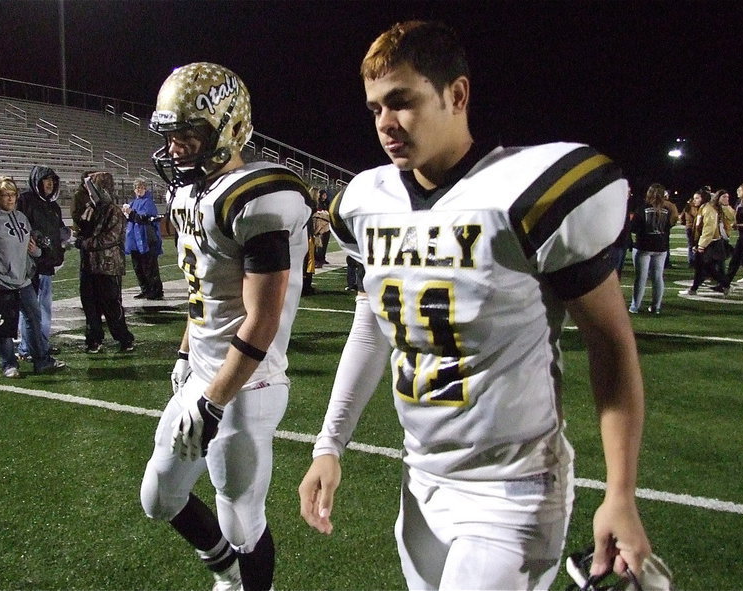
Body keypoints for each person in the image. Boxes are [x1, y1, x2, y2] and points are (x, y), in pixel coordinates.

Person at [298, 21, 651, 590]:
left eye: (401, 102)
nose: (386, 124)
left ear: (456, 95)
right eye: (374, 109)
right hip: (420, 479)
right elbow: (372, 327)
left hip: (513, 488)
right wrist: (329, 444)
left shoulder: (524, 190)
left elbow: (610, 342)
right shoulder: (368, 201)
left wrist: (620, 493)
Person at [139, 62, 312, 591]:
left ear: (230, 128)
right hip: (204, 373)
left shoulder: (256, 195)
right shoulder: (188, 193)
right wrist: (185, 353)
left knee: (241, 520)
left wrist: (212, 398)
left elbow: (261, 318)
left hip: (247, 384)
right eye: (171, 137)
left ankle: (252, 582)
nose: (176, 150)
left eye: (188, 136)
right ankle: (231, 576)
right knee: (159, 497)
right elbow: (206, 293)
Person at [0, 176, 66, 377]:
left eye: (13, 195)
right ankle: (8, 363)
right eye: (5, 195)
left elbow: (29, 248)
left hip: (23, 279)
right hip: (0, 281)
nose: (10, 199)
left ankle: (42, 360)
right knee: (5, 325)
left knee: (34, 318)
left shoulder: (21, 217)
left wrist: (36, 252)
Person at [74, 171, 135, 353]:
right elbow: (82, 227)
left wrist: (83, 243)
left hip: (108, 266)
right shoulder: (92, 208)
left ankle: (124, 338)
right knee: (90, 305)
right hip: (89, 266)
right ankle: (93, 339)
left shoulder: (114, 211)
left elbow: (110, 238)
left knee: (111, 305)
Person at [16, 165, 67, 360]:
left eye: (52, 180)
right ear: (37, 181)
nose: (50, 184)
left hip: (47, 263)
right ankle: (27, 348)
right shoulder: (25, 200)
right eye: (46, 180)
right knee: (31, 311)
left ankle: (41, 344)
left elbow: (59, 230)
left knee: (44, 309)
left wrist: (63, 239)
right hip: (30, 266)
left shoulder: (52, 206)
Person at [628, 183, 678, 314]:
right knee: (657, 277)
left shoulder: (642, 208)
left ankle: (635, 306)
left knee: (641, 277)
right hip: (661, 247)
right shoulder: (667, 210)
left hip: (643, 246)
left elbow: (633, 228)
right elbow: (669, 226)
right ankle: (656, 307)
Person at [681, 190, 732, 296]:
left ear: (703, 198)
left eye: (697, 198)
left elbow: (709, 228)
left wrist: (701, 245)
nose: (694, 200)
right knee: (703, 268)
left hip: (710, 244)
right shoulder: (704, 208)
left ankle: (725, 284)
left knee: (705, 268)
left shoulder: (708, 209)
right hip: (707, 243)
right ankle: (695, 289)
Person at [123, 177, 164, 300]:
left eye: (141, 187)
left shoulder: (148, 202)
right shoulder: (133, 202)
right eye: (137, 188)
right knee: (138, 267)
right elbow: (130, 218)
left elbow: (145, 218)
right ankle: (145, 289)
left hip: (146, 239)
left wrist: (131, 213)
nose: (139, 190)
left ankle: (156, 290)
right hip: (134, 240)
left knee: (149, 267)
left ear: (145, 188)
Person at [726, 182, 743, 285]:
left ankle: (724, 284)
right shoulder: (740, 203)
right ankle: (725, 284)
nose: (737, 191)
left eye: (740, 190)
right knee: (736, 259)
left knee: (738, 259)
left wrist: (738, 225)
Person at [680, 190, 705, 266]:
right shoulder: (694, 207)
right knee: (695, 245)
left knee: (691, 245)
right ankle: (693, 261)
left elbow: (681, 217)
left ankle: (691, 261)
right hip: (693, 228)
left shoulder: (687, 207)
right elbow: (696, 216)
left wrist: (685, 223)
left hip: (688, 227)